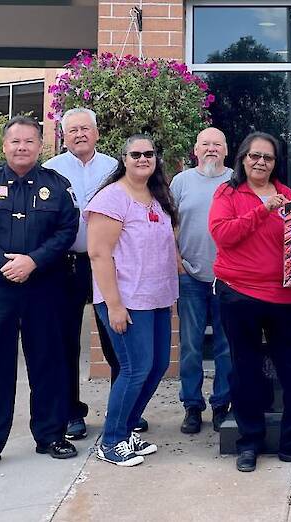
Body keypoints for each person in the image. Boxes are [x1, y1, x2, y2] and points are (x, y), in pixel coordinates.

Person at [209, 132, 291, 472]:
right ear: (242, 158)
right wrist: (262, 210)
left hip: (284, 296)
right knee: (245, 372)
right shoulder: (228, 193)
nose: (261, 162)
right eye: (255, 156)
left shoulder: (287, 194)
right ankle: (249, 443)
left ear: (276, 163)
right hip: (239, 294)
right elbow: (223, 234)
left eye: (268, 158)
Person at [0, 116, 79, 476]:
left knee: (48, 360)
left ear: (41, 146)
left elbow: (68, 229)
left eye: (29, 141)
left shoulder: (56, 185)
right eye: (15, 141)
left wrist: (33, 262)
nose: (22, 147)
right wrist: (2, 264)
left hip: (43, 286)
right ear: (4, 145)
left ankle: (51, 434)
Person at [85, 134, 178, 467]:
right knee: (135, 368)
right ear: (124, 159)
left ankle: (124, 431)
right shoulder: (111, 199)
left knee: (156, 368)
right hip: (125, 300)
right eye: (135, 154)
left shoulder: (157, 197)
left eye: (149, 153)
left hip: (156, 298)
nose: (143, 158)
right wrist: (114, 305)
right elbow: (98, 254)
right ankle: (111, 441)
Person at [43, 108, 118, 440]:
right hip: (66, 264)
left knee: (114, 338)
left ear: (97, 132)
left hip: (107, 263)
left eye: (85, 128)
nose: (79, 134)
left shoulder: (114, 168)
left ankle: (122, 410)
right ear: (63, 135)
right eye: (72, 130)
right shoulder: (50, 170)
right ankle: (70, 412)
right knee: (65, 341)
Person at [171, 127, 233, 434]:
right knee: (191, 347)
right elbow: (169, 225)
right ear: (196, 150)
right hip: (191, 278)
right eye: (205, 144)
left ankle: (222, 405)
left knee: (225, 347)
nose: (211, 149)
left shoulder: (236, 181)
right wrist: (176, 263)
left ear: (226, 150)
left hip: (228, 278)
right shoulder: (181, 182)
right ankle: (192, 406)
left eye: (217, 144)